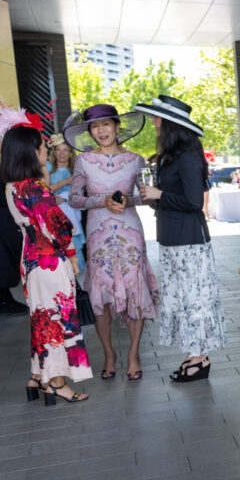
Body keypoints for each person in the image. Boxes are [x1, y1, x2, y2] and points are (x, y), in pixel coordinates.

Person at [0, 105, 91, 401]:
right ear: (30, 153)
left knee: (42, 318)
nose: (45, 150)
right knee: (57, 318)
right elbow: (58, 227)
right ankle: (57, 382)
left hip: (30, 260)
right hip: (50, 261)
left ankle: (37, 377)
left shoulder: (13, 186)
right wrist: (72, 255)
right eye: (42, 146)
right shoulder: (36, 187)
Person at [137, 96, 227, 382]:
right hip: (172, 239)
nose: (154, 123)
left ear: (171, 124)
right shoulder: (171, 156)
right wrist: (153, 197)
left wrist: (159, 194)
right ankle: (194, 355)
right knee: (184, 299)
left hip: (189, 240)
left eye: (158, 118)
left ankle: (199, 359)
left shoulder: (188, 155)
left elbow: (192, 200)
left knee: (195, 299)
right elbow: (172, 199)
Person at [66, 104, 158, 381]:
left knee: (135, 293)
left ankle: (133, 354)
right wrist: (100, 201)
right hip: (98, 236)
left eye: (106, 124)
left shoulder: (135, 160)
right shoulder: (83, 161)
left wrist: (130, 200)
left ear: (118, 127)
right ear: (90, 132)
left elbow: (147, 196)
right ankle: (109, 354)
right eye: (95, 126)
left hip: (131, 232)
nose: (101, 131)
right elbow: (73, 198)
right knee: (101, 297)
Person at [0, 128, 29, 316]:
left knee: (1, 256)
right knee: (4, 256)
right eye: (1, 140)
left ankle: (5, 299)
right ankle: (5, 301)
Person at [46, 134, 85, 277]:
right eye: (59, 150)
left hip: (71, 213)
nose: (62, 153)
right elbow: (45, 189)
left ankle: (76, 276)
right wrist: (66, 182)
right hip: (52, 214)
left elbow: (81, 192)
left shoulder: (76, 169)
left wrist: (63, 197)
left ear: (70, 153)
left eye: (66, 150)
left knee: (73, 244)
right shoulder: (48, 167)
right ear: (54, 152)